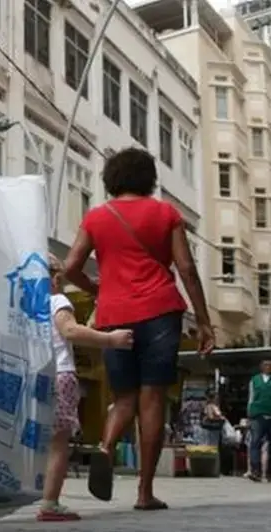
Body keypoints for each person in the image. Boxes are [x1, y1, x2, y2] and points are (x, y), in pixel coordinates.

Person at [64, 147, 214, 511]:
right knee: (152, 400)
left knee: (125, 396)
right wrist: (205, 321)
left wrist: (98, 290)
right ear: (149, 178)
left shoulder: (97, 217)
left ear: (111, 180)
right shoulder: (165, 213)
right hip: (161, 312)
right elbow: (187, 269)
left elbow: (69, 267)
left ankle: (105, 446)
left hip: (114, 316)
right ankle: (145, 492)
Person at [40, 257, 133, 522]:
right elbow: (69, 330)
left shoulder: (27, 307)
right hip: (60, 375)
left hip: (35, 377)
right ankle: (50, 503)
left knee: (38, 442)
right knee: (59, 443)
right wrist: (110, 339)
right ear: (55, 278)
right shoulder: (58, 301)